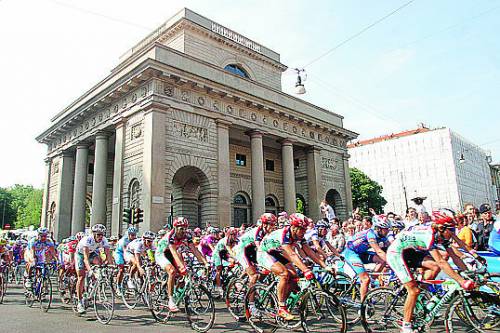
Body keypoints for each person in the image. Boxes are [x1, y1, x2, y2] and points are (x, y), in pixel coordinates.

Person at [386, 209, 477, 333]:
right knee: (413, 290)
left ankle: (420, 296)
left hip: (409, 252)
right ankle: (406, 326)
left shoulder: (440, 233)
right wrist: (461, 281)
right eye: (451, 230)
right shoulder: (428, 235)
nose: (453, 233)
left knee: (434, 267)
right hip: (396, 254)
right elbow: (441, 261)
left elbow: (455, 256)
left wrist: (467, 272)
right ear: (441, 228)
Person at [257, 213, 333, 320]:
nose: (304, 232)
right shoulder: (285, 234)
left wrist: (326, 266)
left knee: (294, 276)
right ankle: (281, 308)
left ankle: (283, 298)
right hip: (265, 253)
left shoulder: (299, 235)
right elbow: (292, 254)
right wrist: (306, 270)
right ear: (293, 227)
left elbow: (310, 252)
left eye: (305, 229)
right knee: (285, 274)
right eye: (302, 229)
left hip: (278, 253)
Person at [155, 216, 209, 312]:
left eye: (185, 228)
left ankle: (177, 293)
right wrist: (181, 267)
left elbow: (194, 250)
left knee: (184, 275)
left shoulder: (187, 235)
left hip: (173, 252)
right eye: (181, 228)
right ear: (175, 228)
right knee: (172, 271)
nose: (183, 231)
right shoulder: (171, 235)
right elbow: (174, 252)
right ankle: (171, 300)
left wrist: (205, 263)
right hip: (162, 253)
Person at [234, 213, 277, 314]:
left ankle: (253, 288)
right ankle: (251, 305)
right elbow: (260, 247)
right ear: (264, 224)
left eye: (274, 225)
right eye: (271, 225)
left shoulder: (270, 232)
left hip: (252, 250)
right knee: (255, 275)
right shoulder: (258, 231)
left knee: (265, 271)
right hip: (243, 250)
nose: (273, 227)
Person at [342, 215, 389, 301]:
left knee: (382, 261)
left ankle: (371, 281)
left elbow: (391, 248)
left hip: (362, 253)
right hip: (351, 253)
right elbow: (378, 251)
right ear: (378, 228)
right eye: (385, 229)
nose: (387, 231)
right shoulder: (370, 234)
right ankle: (362, 306)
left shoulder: (382, 236)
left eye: (388, 229)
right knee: (365, 279)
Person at [75, 224, 114, 314]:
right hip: (80, 254)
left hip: (92, 253)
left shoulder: (104, 240)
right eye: (98, 235)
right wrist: (90, 270)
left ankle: (93, 284)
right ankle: (79, 302)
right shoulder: (87, 240)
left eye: (102, 234)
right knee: (81, 276)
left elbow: (108, 254)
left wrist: (112, 267)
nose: (100, 237)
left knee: (100, 264)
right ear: (93, 234)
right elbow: (85, 258)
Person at [212, 227, 239, 297]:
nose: (235, 236)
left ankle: (227, 278)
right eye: (233, 234)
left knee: (233, 263)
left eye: (236, 234)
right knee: (219, 269)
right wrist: (235, 258)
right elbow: (227, 252)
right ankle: (219, 287)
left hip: (225, 254)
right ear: (229, 234)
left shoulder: (235, 240)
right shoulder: (225, 240)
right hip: (218, 254)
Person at [114, 227, 138, 295]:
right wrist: (127, 260)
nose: (133, 236)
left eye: (134, 235)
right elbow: (125, 252)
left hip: (129, 252)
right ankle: (118, 286)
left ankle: (129, 278)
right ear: (128, 234)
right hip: (120, 253)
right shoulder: (123, 240)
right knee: (121, 269)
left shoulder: (135, 240)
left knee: (135, 263)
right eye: (132, 235)